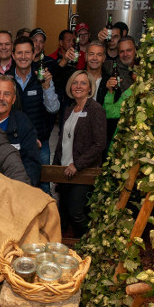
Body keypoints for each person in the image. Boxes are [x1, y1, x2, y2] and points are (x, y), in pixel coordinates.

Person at [53, 70, 106, 237]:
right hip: (65, 170)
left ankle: (91, 245)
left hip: (83, 171)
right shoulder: (69, 109)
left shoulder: (95, 109)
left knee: (76, 212)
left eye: (83, 83)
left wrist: (77, 164)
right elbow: (63, 141)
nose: (78, 86)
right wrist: (55, 168)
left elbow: (99, 144)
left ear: (90, 88)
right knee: (63, 215)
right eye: (75, 83)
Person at [12, 36, 59, 188]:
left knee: (43, 188)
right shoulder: (7, 80)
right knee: (16, 186)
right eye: (19, 53)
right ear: (13, 55)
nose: (23, 57)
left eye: (27, 53)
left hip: (41, 143)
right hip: (14, 143)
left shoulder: (43, 77)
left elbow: (53, 108)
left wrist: (47, 87)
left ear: (34, 55)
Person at [0, 75, 41, 186]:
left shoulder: (23, 123)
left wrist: (21, 190)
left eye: (7, 94)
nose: (1, 98)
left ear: (13, 99)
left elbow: (31, 162)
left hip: (13, 188)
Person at [100, 35, 138, 143]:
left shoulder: (146, 67)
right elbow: (95, 59)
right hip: (121, 127)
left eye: (129, 50)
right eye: (121, 51)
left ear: (135, 50)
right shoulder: (111, 66)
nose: (125, 54)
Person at [85, 40, 109, 104]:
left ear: (104, 58)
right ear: (86, 57)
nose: (94, 58)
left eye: (99, 55)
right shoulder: (77, 78)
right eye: (91, 54)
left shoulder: (109, 81)